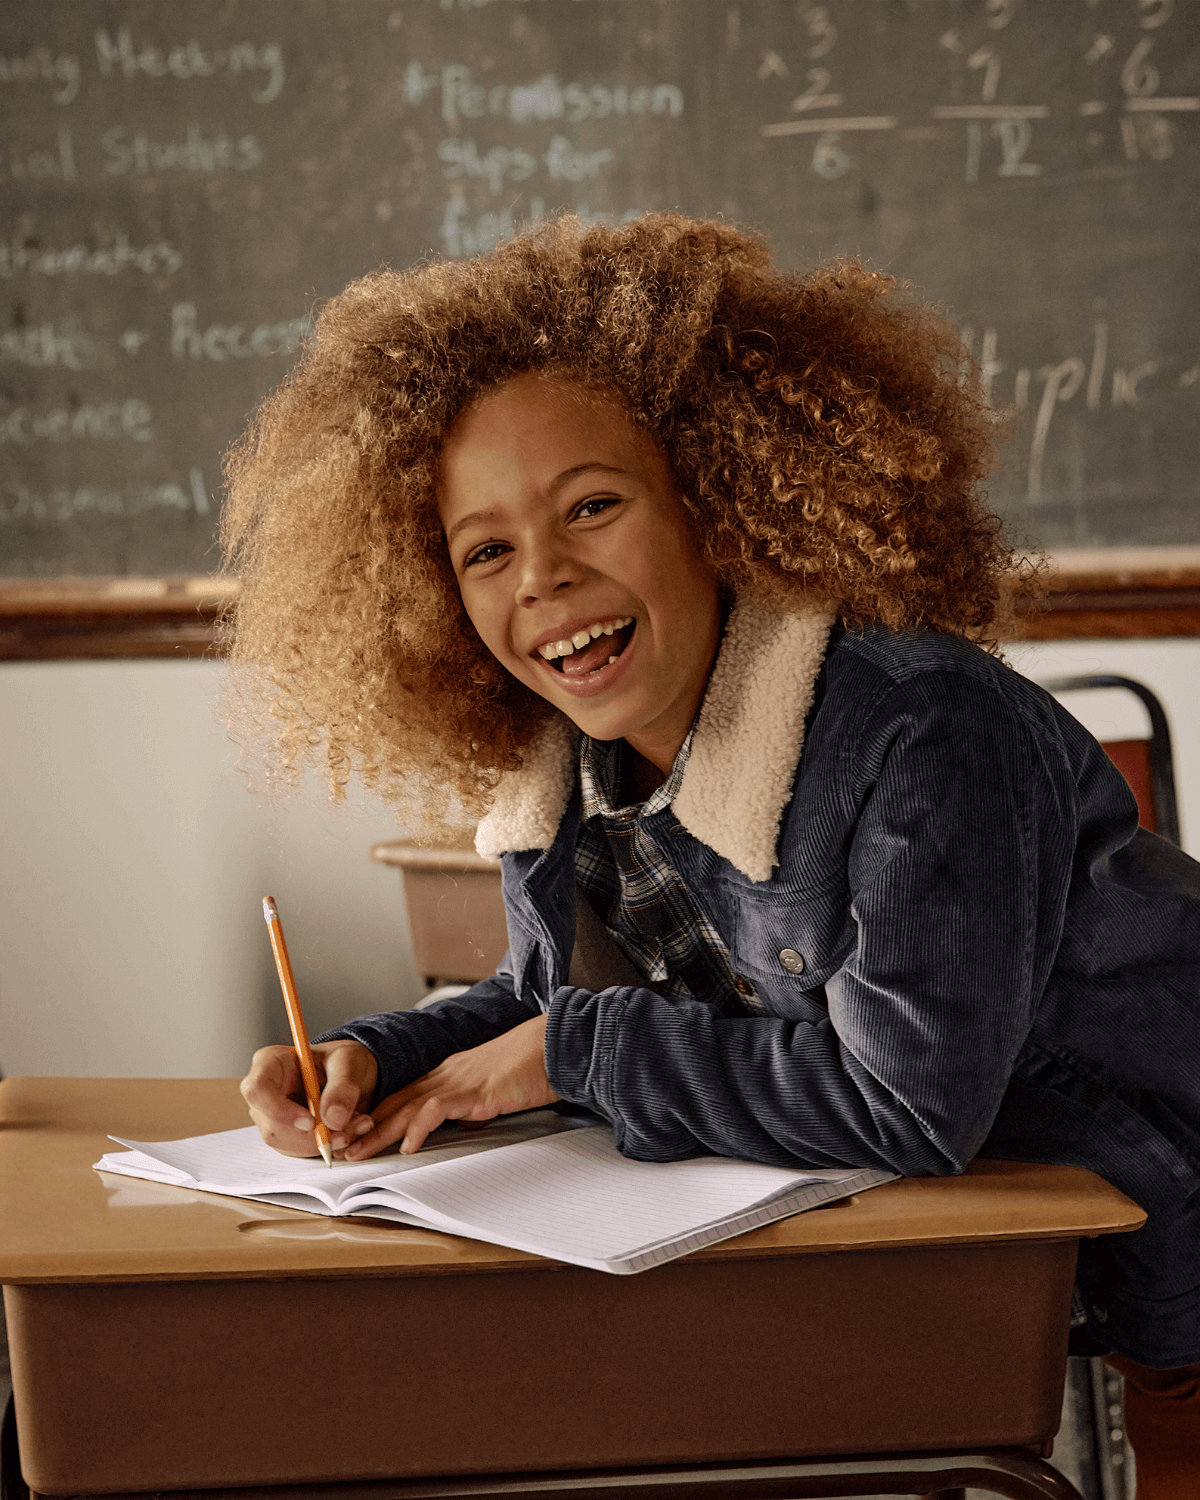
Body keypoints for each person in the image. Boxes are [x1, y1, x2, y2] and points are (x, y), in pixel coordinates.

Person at [227, 214, 1200, 1496]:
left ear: (711, 494)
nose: (545, 578)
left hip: (1164, 1263)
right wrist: (373, 1058)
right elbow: (542, 1003)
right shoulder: (569, 762)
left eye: (591, 506)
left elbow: (905, 1103)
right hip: (948, 1268)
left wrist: (568, 1053)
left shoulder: (920, 724)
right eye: (486, 551)